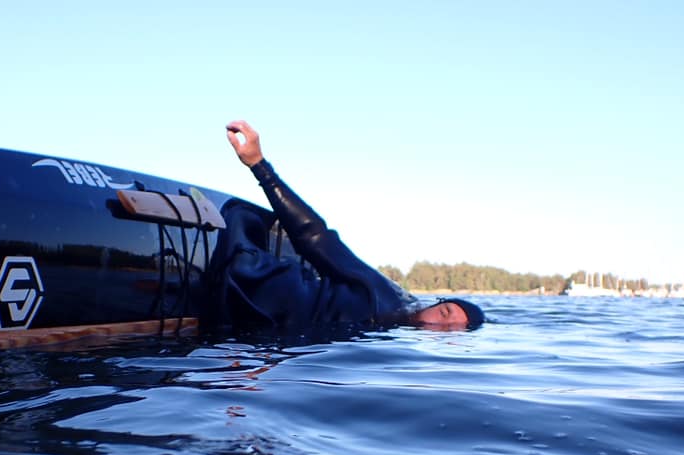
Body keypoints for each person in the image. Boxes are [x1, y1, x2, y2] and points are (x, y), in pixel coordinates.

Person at [205, 120, 484, 334]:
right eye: (445, 314)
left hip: (253, 332)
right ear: (435, 304)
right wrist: (259, 166)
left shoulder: (387, 347)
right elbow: (315, 237)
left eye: (451, 331)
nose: (439, 326)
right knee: (243, 221)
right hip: (244, 283)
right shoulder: (379, 291)